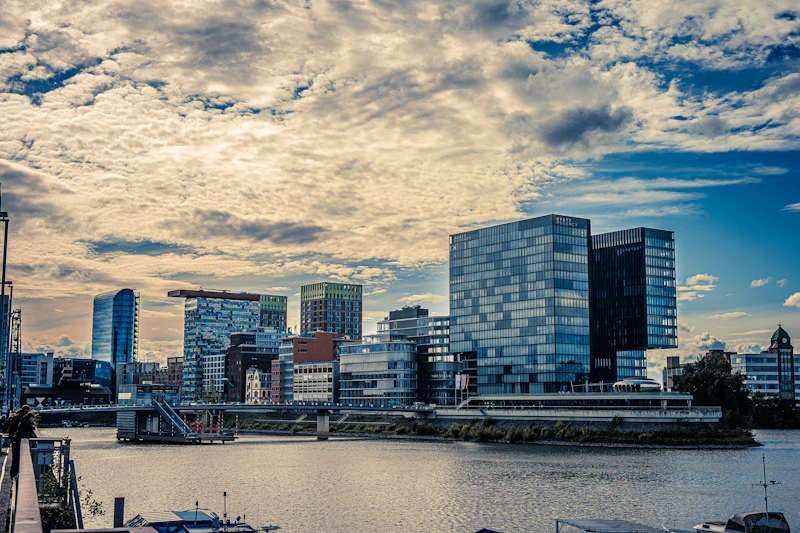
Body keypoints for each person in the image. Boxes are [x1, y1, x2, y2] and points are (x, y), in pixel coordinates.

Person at [8, 405, 32, 478]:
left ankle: (13, 473)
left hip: (14, 438)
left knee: (15, 457)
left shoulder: (16, 418)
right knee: (19, 457)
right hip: (19, 439)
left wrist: (11, 438)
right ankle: (16, 473)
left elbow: (11, 429)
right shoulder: (24, 420)